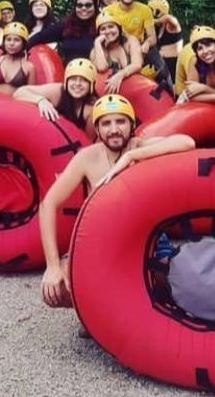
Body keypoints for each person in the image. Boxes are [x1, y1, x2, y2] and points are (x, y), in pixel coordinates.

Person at [39, 94, 195, 309]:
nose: (113, 129)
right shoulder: (87, 158)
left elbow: (187, 142)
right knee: (58, 290)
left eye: (120, 121)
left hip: (146, 239)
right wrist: (52, 265)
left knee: (174, 288)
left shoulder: (141, 146)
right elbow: (49, 204)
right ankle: (96, 316)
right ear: (97, 128)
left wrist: (131, 157)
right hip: (103, 240)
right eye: (106, 123)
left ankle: (141, 311)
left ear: (131, 124)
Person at [14, 58, 99, 137]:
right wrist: (41, 100)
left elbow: (88, 141)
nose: (77, 84)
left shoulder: (92, 108)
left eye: (84, 80)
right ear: (66, 81)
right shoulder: (57, 91)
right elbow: (18, 93)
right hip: (49, 136)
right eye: (73, 79)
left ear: (91, 85)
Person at [27, 0, 99, 62]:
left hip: (96, 71)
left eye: (88, 5)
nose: (83, 8)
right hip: (68, 72)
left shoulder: (102, 26)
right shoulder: (66, 25)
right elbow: (37, 38)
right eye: (79, 5)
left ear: (95, 6)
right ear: (75, 8)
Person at [90, 12, 143, 94]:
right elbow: (102, 68)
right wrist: (97, 42)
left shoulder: (131, 41)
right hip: (111, 94)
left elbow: (137, 64)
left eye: (111, 26)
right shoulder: (97, 50)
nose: (107, 31)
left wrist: (120, 75)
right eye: (103, 29)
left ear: (119, 28)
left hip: (135, 89)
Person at [0, 22, 34, 95]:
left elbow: (31, 94)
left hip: (14, 104)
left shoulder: (29, 67)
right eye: (8, 39)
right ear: (4, 42)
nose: (11, 43)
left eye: (16, 40)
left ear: (23, 44)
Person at [148, 0, 182, 79]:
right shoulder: (155, 28)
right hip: (159, 64)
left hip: (173, 64)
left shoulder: (171, 26)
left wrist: (154, 21)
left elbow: (170, 19)